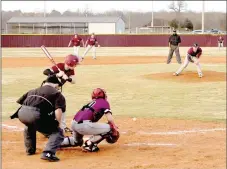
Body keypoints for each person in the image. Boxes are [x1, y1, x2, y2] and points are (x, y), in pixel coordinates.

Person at [10, 74, 66, 162]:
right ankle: (48, 153)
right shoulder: (57, 94)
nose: (58, 88)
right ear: (55, 85)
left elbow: (20, 102)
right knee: (57, 132)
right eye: (58, 86)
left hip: (21, 114)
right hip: (35, 115)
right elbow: (58, 110)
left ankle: (30, 150)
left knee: (29, 126)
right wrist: (57, 123)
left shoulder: (33, 90)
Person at [60, 88, 119, 152]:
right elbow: (109, 118)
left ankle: (57, 143)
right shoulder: (104, 102)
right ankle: (89, 145)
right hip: (84, 126)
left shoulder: (92, 103)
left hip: (74, 124)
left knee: (76, 141)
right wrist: (114, 127)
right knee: (110, 128)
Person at [43, 54, 79, 133]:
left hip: (56, 90)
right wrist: (57, 75)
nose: (76, 65)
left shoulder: (71, 70)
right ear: (70, 63)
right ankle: (47, 128)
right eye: (75, 64)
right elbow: (45, 71)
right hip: (48, 87)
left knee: (62, 105)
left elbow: (74, 81)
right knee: (50, 107)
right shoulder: (59, 66)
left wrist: (67, 78)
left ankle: (62, 126)